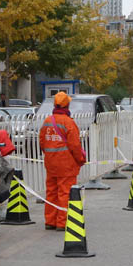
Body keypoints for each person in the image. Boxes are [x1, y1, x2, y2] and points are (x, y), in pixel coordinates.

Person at [39, 92, 86, 231]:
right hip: (66, 164)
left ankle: (50, 221)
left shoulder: (47, 121)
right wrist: (81, 159)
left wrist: (50, 155)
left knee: (51, 191)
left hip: (51, 163)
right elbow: (75, 146)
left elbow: (42, 142)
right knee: (65, 192)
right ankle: (62, 222)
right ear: (67, 105)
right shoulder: (68, 122)